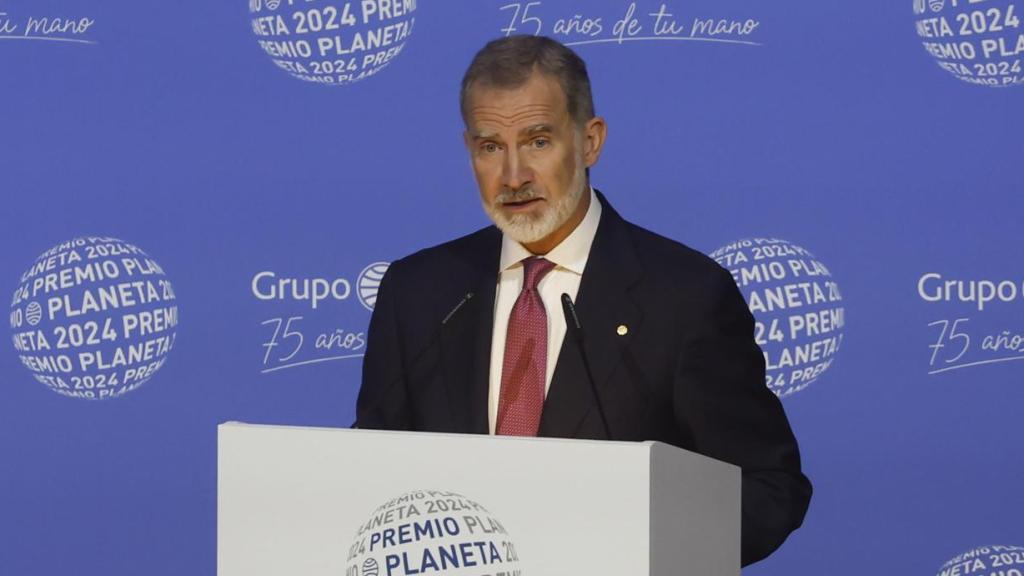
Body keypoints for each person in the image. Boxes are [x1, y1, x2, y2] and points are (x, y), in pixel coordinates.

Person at [356, 35, 811, 566]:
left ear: (590, 141)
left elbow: (767, 487)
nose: (513, 176)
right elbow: (371, 474)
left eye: (538, 141)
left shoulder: (685, 297)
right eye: (490, 147)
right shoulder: (418, 291)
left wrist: (646, 550)